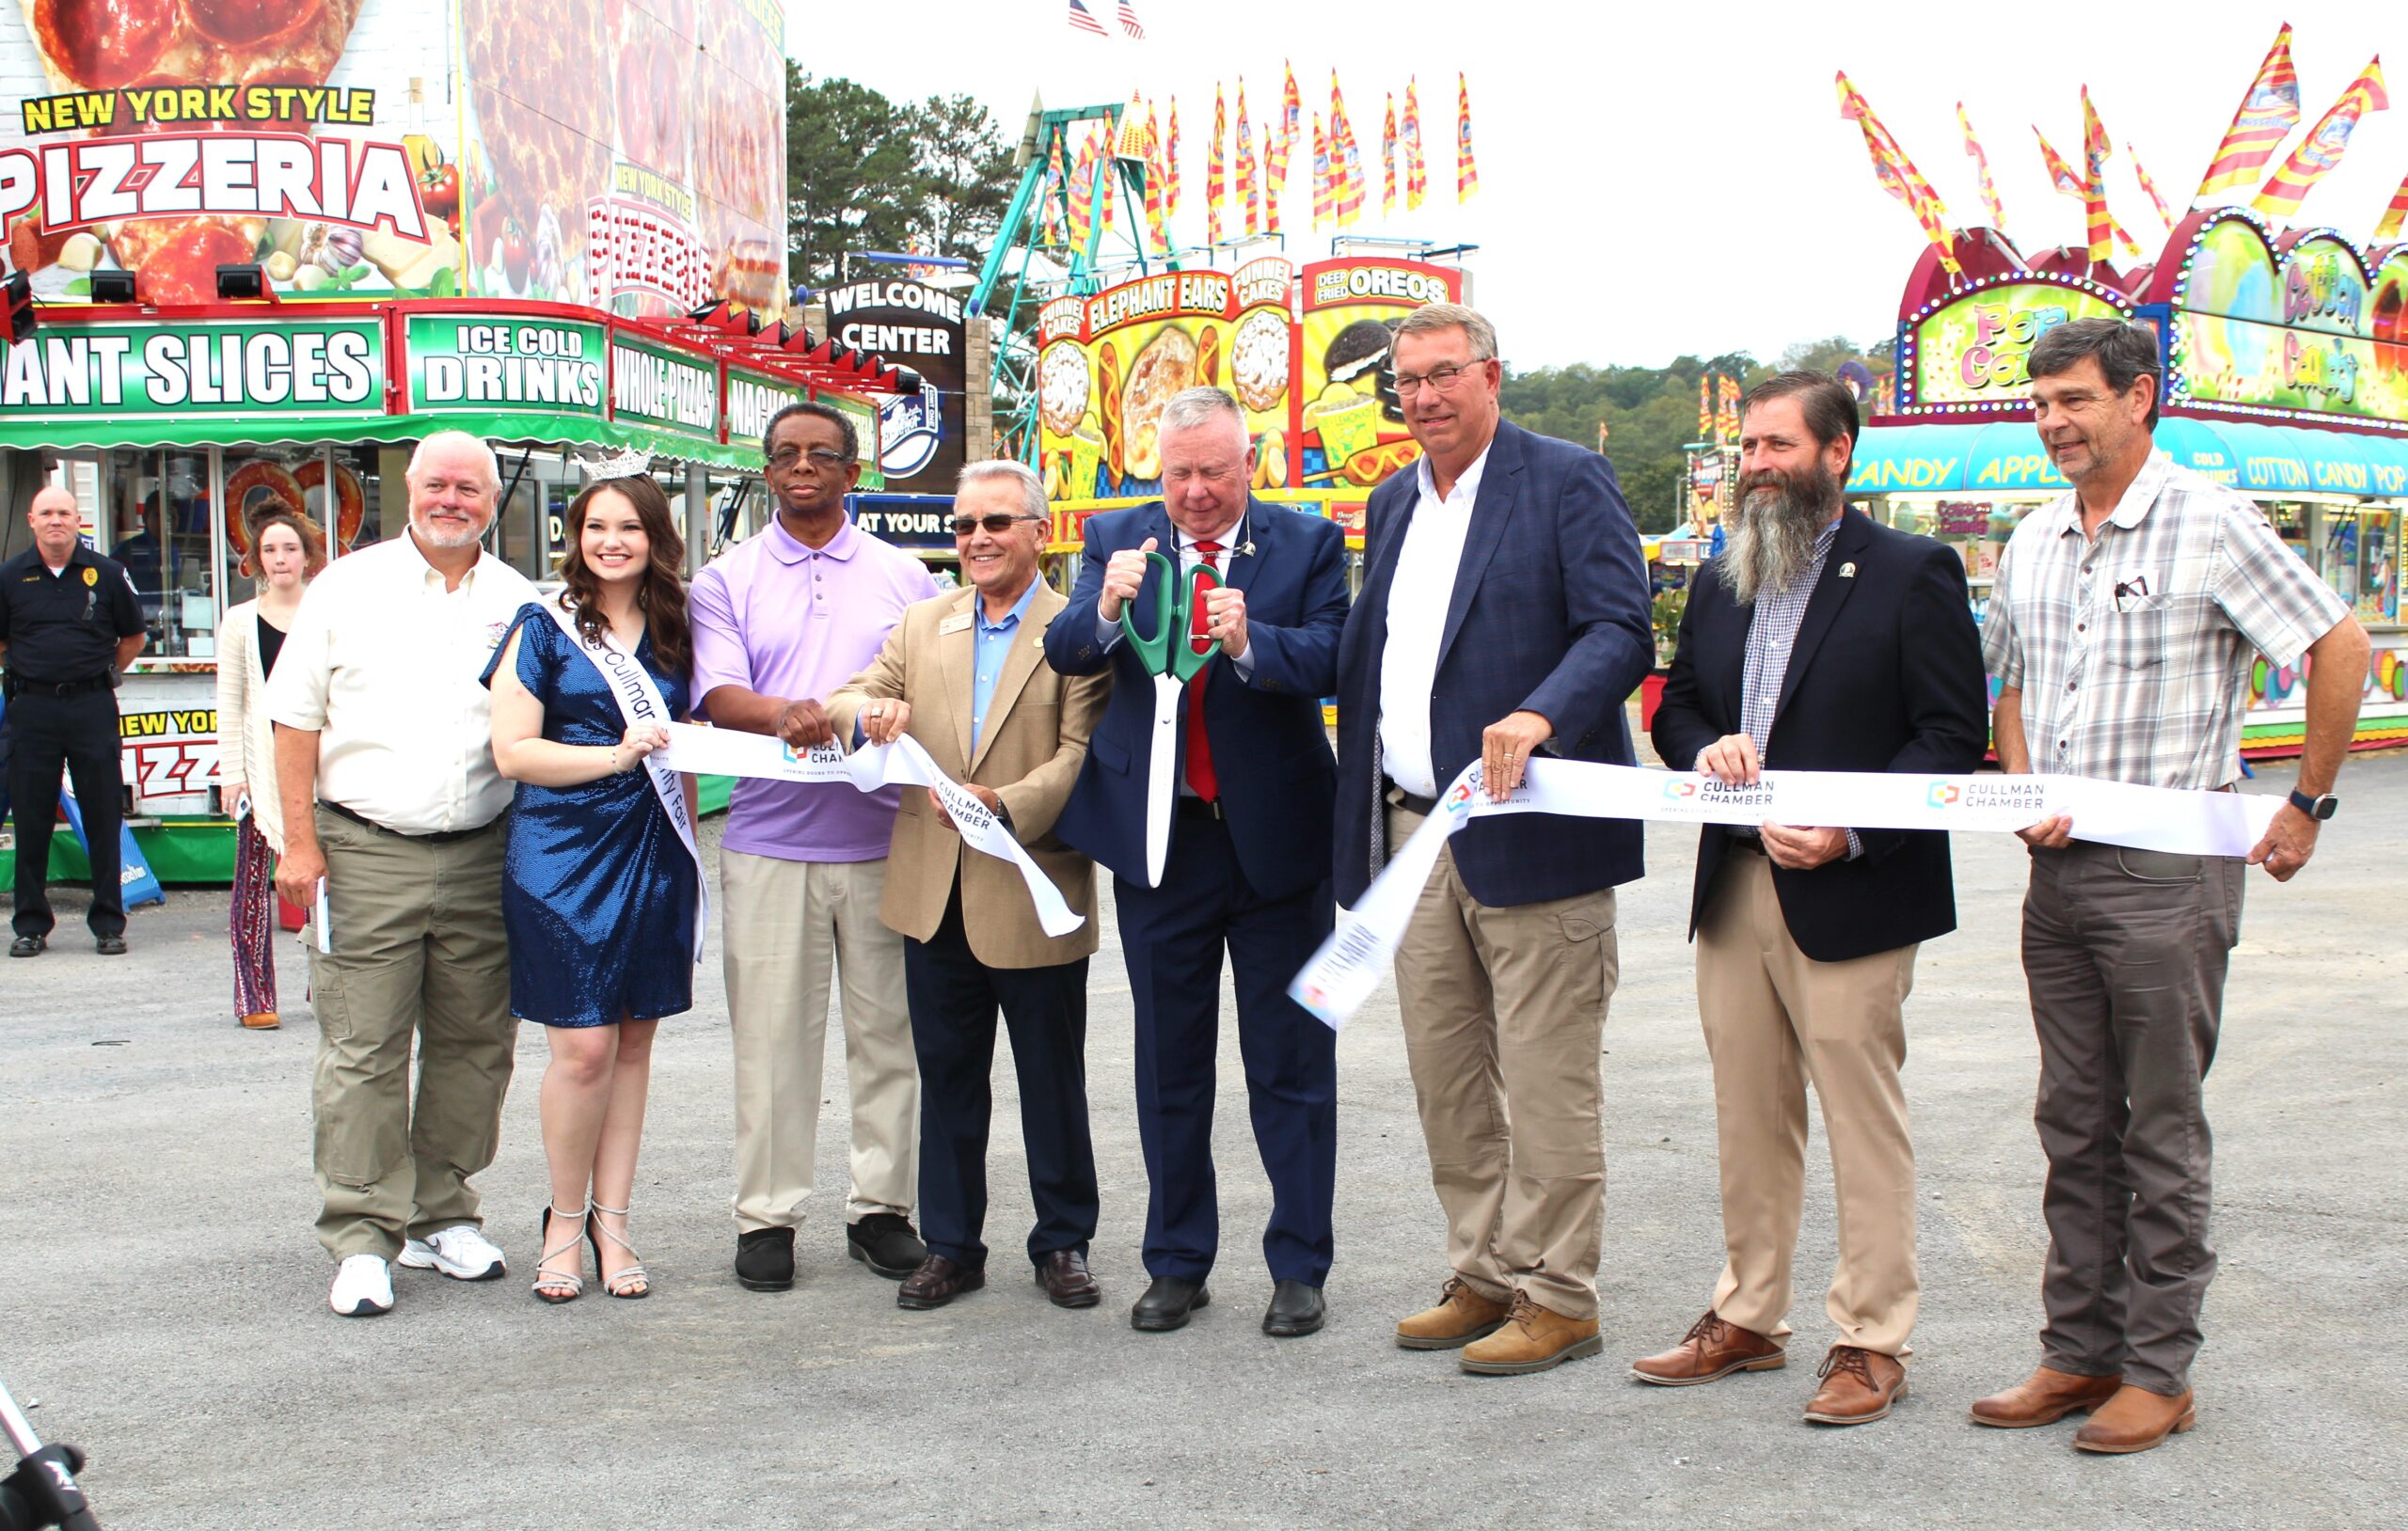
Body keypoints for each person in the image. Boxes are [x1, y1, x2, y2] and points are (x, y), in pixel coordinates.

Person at [1972, 319, 2370, 1453]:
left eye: (2075, 399)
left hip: (2167, 870)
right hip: (2058, 869)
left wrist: (2306, 802)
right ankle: (2076, 1351)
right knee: (2071, 1117)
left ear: (2138, 398)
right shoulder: (2036, 534)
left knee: (2159, 1123)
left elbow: (2336, 646)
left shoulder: (2209, 518)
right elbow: (2011, 676)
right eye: (2040, 401)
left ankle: (2158, 1368)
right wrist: (2018, 785)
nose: (2053, 420)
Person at [1639, 371, 1989, 1425]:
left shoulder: (1909, 571)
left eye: (1777, 446)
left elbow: (1948, 736)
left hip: (1852, 890)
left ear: (1838, 452)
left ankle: (1871, 1336)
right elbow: (1679, 707)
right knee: (1747, 1111)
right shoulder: (1721, 580)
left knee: (1859, 1118)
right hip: (1734, 881)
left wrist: (1850, 831)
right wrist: (1705, 745)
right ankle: (1747, 1316)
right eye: (1747, 447)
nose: (1755, 466)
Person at [1329, 302, 1655, 1375]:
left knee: (1549, 1077)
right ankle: (1482, 1271)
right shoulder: (1390, 501)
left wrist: (1540, 713)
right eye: (1406, 381)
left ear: (1490, 374)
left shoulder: (1562, 479)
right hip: (1417, 838)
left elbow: (1619, 626)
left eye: (1441, 374)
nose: (1422, 396)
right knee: (1448, 1075)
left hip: (1536, 830)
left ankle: (1560, 1293)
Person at [1044, 387, 1348, 1337]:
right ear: (1156, 466)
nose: (1196, 491)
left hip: (1276, 845)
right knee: (1168, 1063)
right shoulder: (1116, 534)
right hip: (1161, 846)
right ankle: (1177, 1261)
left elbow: (1336, 655)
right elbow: (1066, 651)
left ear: (1245, 462)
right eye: (1178, 472)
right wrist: (1102, 604)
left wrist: (1254, 638)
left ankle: (1298, 1263)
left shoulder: (1305, 544)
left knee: (1290, 1062)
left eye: (1213, 470)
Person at [267, 430, 539, 1318]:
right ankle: (361, 1236)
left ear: (492, 502)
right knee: (364, 1048)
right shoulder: (346, 586)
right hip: (364, 848)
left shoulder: (520, 600)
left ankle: (439, 1213)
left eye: (469, 487)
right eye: (436, 484)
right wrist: (299, 848)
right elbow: (294, 722)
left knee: (475, 1044)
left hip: (482, 852)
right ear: (409, 493)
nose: (451, 499)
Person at [827, 461, 1110, 1312]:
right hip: (932, 893)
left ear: (1039, 531)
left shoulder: (1080, 630)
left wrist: (1005, 807)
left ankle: (1063, 1242)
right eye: (964, 527)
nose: (977, 541)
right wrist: (867, 716)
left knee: (1050, 1081)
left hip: (1033, 888)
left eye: (995, 523)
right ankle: (952, 1245)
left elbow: (1081, 755)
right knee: (948, 1080)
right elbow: (848, 699)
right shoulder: (922, 623)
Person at [689, 401, 941, 1293]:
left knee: (889, 1039)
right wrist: (790, 716)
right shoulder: (725, 578)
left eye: (821, 455)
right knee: (771, 1043)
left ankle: (882, 1210)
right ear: (766, 471)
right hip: (768, 845)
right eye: (787, 455)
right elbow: (718, 692)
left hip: (885, 841)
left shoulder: (907, 577)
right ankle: (767, 1218)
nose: (803, 467)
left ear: (853, 470)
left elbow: (924, 688)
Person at [486, 472, 702, 1304]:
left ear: (655, 537)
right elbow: (515, 752)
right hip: (559, 853)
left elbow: (693, 734)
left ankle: (615, 1223)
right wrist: (615, 756)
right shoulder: (540, 627)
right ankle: (562, 1223)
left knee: (636, 1044)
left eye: (630, 528)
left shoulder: (677, 626)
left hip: (653, 849)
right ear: (574, 535)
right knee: (581, 1049)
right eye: (595, 526)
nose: (611, 541)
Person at [3, 486, 146, 958]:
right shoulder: (9, 576)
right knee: (32, 816)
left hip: (91, 707)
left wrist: (98, 674)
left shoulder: (107, 573)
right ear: (31, 520)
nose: (55, 521)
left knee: (103, 814)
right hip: (33, 710)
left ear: (78, 519)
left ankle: (108, 922)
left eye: (64, 512)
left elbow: (133, 636)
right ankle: (30, 925)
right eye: (46, 513)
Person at [215, 509, 327, 1026]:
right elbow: (231, 702)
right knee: (253, 888)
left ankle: (325, 989)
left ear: (307, 555)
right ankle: (254, 998)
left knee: (329, 886)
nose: (280, 559)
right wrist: (233, 773)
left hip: (323, 771)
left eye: (289, 549)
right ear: (256, 559)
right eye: (269, 550)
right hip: (261, 771)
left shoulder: (327, 611)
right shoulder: (239, 620)